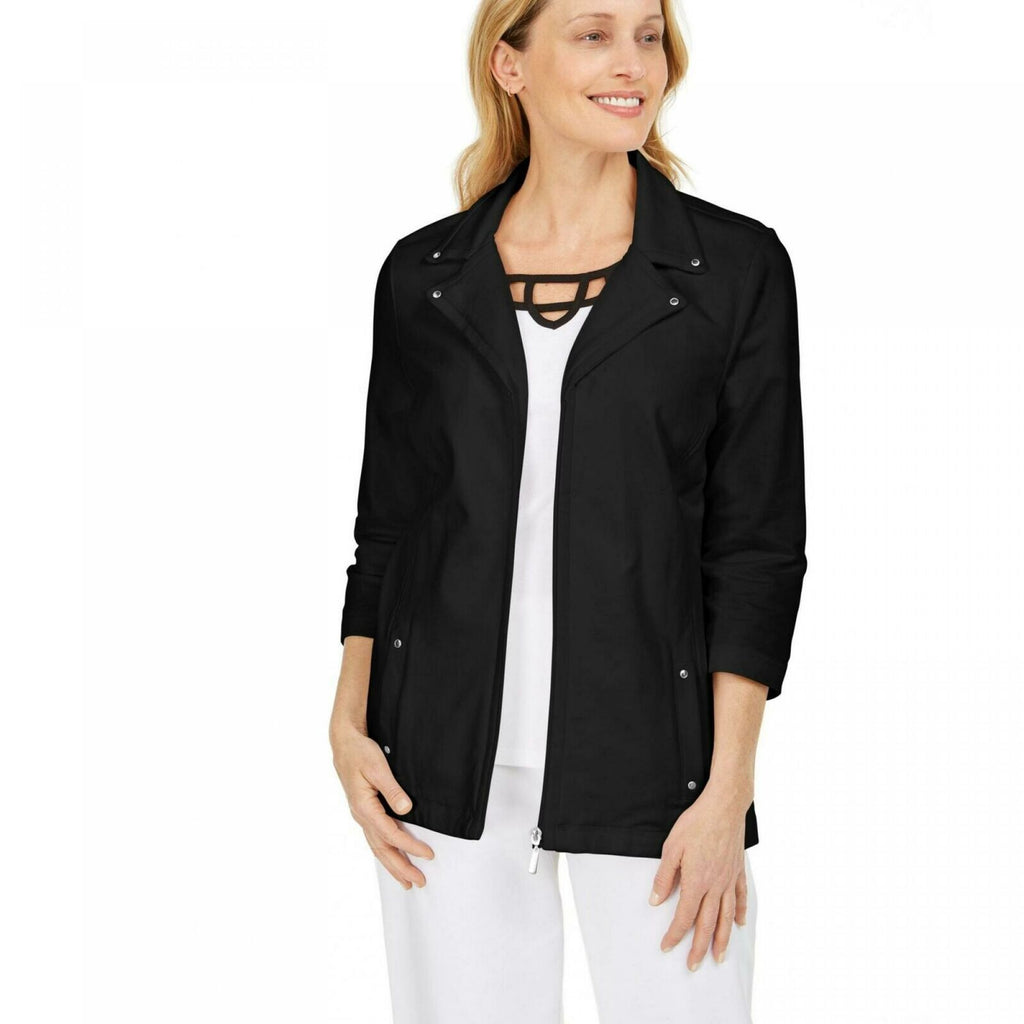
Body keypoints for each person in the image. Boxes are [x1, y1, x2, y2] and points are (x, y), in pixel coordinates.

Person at [329, 1, 807, 1021]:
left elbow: (757, 547)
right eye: (593, 34)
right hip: (436, 764)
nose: (633, 63)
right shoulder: (424, 277)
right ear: (510, 64)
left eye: (648, 35)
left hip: (657, 763)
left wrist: (726, 789)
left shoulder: (731, 271)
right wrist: (348, 718)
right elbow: (389, 524)